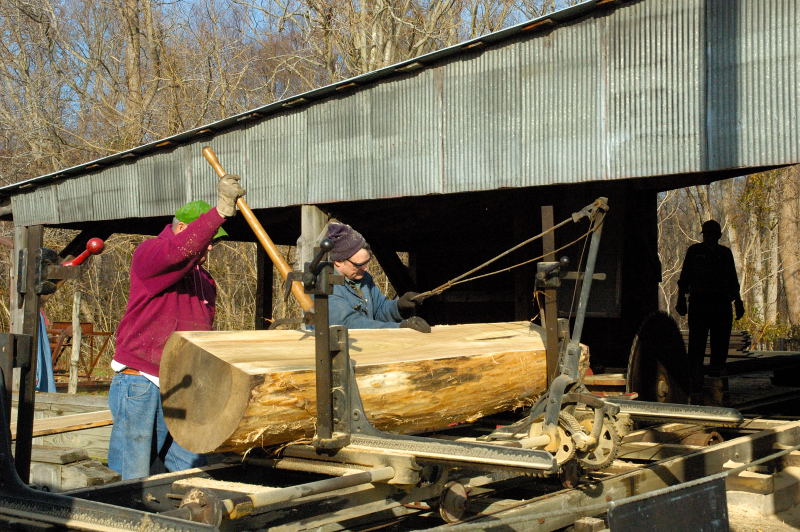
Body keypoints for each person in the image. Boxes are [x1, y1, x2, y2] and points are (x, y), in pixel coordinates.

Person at [107, 174, 245, 480]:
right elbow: (178, 252)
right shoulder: (151, 254)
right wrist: (221, 209)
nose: (209, 249)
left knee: (189, 463)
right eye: (207, 240)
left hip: (183, 383)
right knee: (135, 475)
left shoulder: (205, 282)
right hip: (141, 380)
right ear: (182, 229)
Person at [676, 220, 745, 395]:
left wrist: (738, 301)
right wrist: (681, 299)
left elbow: (733, 280)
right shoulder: (695, 252)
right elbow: (685, 277)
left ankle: (716, 388)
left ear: (717, 236)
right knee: (696, 346)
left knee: (720, 346)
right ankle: (694, 385)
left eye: (711, 234)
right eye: (707, 234)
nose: (709, 237)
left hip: (721, 305)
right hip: (700, 304)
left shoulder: (725, 253)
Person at [326, 223, 430, 332]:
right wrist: (398, 328)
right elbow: (350, 324)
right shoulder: (325, 285)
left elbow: (379, 309)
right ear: (338, 262)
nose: (365, 268)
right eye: (359, 264)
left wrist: (399, 307)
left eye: (367, 262)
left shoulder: (363, 278)